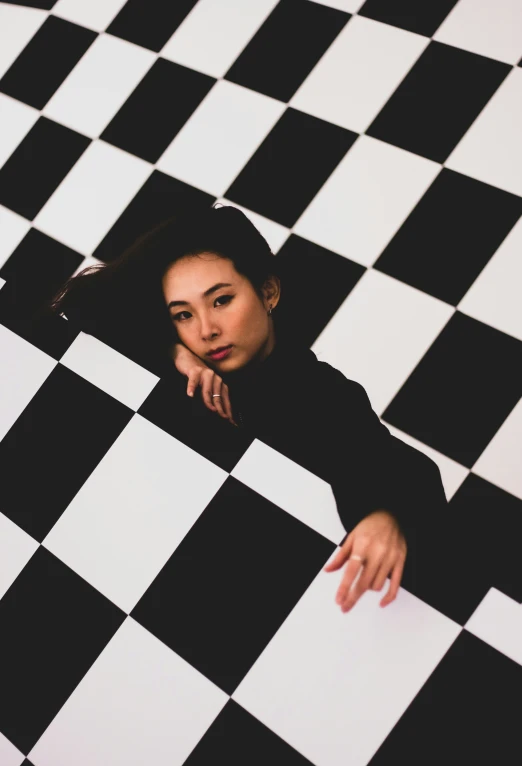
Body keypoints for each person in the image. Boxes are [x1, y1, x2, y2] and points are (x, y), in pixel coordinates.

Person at [27, 203, 448, 614]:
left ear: (268, 291)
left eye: (221, 300)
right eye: (183, 314)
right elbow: (82, 307)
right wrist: (173, 350)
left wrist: (383, 514)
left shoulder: (321, 392)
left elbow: (396, 466)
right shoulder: (176, 371)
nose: (206, 330)